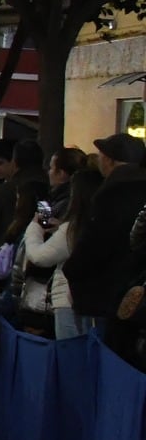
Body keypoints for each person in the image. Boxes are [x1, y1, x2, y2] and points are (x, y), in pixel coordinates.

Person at [61, 133, 146, 337]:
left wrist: (72, 271)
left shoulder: (113, 194)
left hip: (108, 294)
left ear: (109, 160)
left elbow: (95, 243)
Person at [22, 165, 101, 336]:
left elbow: (40, 256)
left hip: (68, 301)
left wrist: (35, 227)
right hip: (94, 301)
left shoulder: (74, 229)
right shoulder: (99, 223)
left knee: (70, 355)